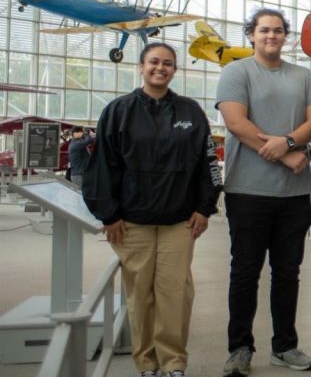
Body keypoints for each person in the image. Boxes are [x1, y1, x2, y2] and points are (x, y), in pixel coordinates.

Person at [83, 42, 222, 377]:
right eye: (154, 62)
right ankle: (146, 362)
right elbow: (103, 164)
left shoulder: (190, 113)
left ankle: (174, 361)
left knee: (175, 293)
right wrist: (109, 215)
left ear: (175, 70)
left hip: (179, 222)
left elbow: (209, 165)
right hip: (132, 223)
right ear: (141, 67)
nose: (161, 68)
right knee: (140, 294)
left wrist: (205, 207)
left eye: (168, 64)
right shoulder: (118, 111)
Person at [217, 9, 311, 377]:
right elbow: (236, 123)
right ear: (251, 35)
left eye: (278, 31)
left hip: (293, 196)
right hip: (247, 191)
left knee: (288, 273)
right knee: (245, 272)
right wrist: (285, 155)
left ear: (285, 36)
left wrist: (290, 142)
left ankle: (285, 346)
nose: (271, 36)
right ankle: (240, 348)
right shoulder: (236, 72)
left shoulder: (304, 75)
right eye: (264, 30)